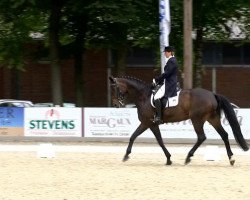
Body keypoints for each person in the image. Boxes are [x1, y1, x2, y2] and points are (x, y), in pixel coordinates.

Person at [153, 46, 179, 125]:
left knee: (156, 97)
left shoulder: (171, 61)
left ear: (170, 52)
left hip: (170, 83)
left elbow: (167, 74)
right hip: (169, 82)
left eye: (166, 52)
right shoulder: (172, 60)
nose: (165, 53)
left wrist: (156, 79)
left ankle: (159, 117)